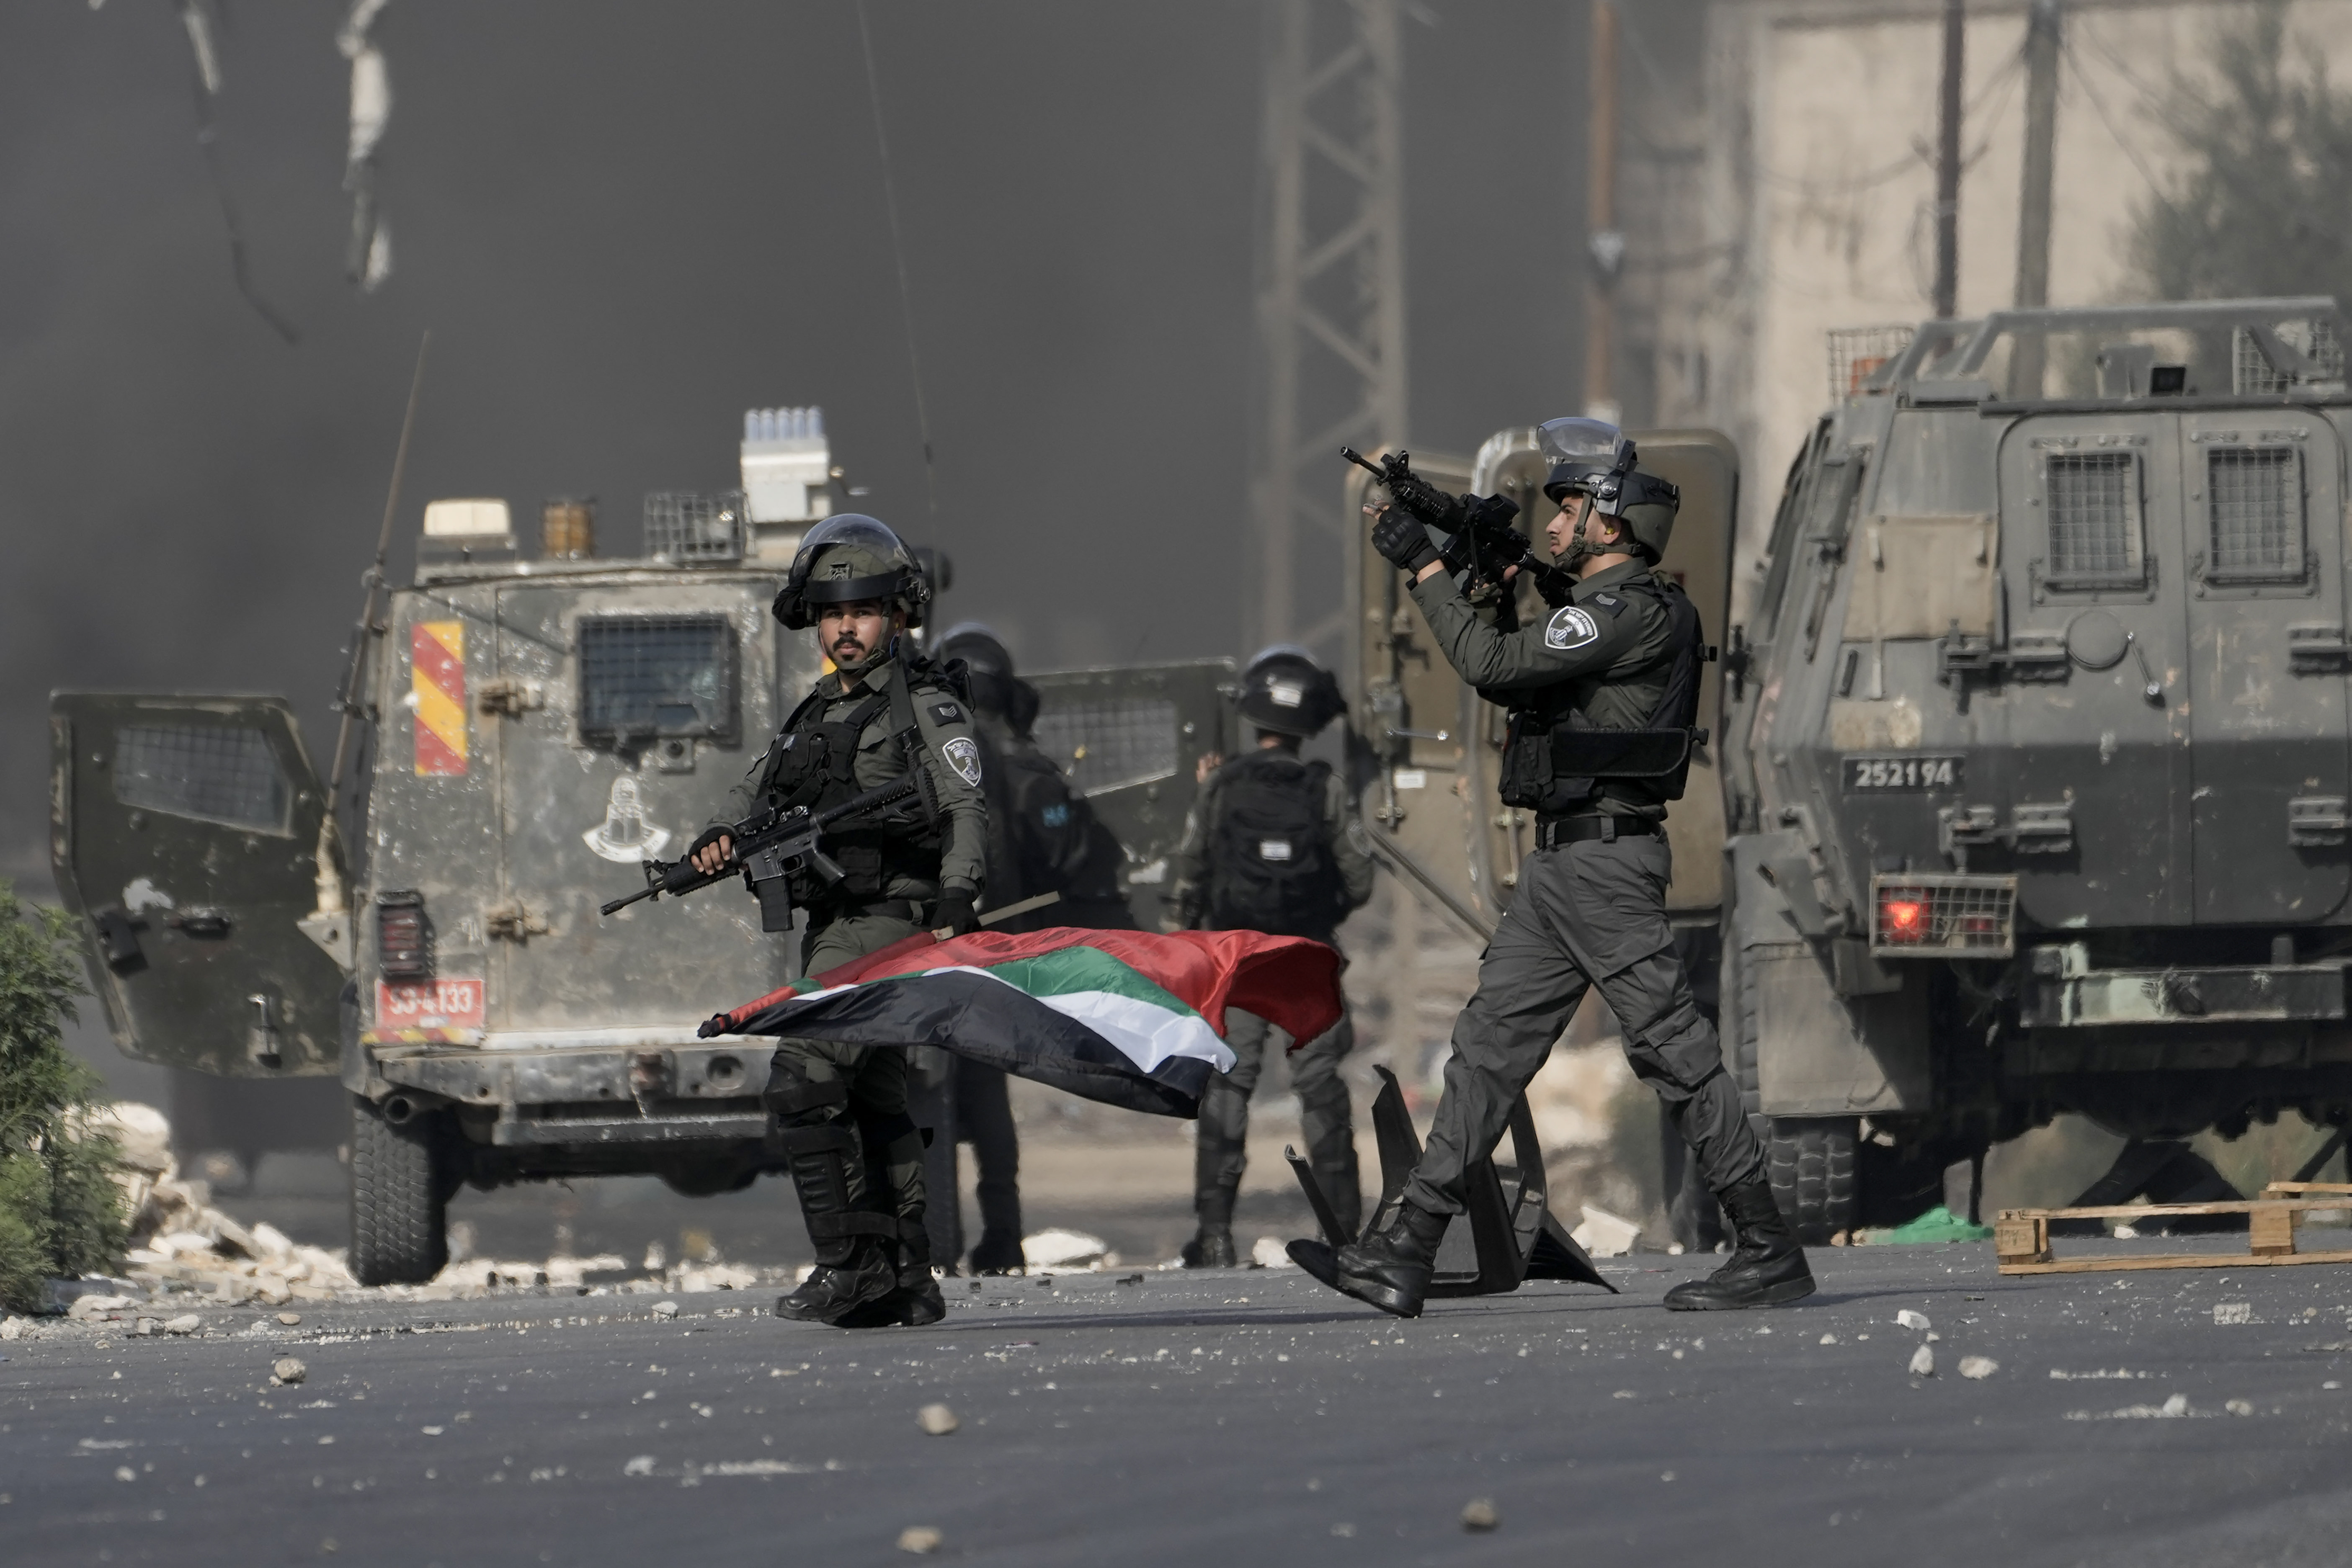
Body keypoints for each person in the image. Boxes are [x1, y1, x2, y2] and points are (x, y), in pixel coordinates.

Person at [1322, 418, 1813, 1317]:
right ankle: (1409, 1247)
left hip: (1606, 866)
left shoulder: (1632, 611)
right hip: (1560, 869)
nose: (1552, 527)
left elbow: (1494, 665)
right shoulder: (1592, 608)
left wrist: (1426, 569)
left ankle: (1769, 1245)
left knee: (1674, 1052)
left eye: (1568, 510)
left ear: (1613, 521)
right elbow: (1534, 654)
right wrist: (1497, 576)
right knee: (1485, 1053)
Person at [689, 515, 987, 1328]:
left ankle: (846, 1265)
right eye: (830, 613)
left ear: (896, 615)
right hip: (833, 926)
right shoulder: (813, 711)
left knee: (804, 1074)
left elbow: (965, 805)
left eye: (861, 611)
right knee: (873, 1097)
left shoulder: (924, 706)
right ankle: (905, 1276)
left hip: (893, 920)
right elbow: (753, 791)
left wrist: (960, 894)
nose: (844, 628)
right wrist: (713, 842)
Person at [912, 623, 1139, 1275]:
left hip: (936, 943)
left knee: (929, 1087)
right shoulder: (1016, 760)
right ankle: (1002, 1230)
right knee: (985, 1090)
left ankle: (932, 1238)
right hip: (996, 945)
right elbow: (1065, 858)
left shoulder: (936, 750)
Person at [1166, 645, 1375, 1268]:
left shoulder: (1220, 785)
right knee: (1321, 1089)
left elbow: (1189, 871)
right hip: (1308, 957)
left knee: (1229, 1084)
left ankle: (1215, 1234)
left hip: (1239, 960)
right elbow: (1360, 881)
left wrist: (1184, 940)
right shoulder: (1326, 789)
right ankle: (1345, 1232)